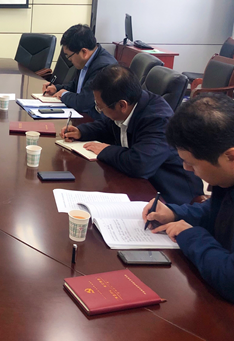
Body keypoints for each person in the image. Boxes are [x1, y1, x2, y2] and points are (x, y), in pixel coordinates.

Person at [61, 65, 203, 204]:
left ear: (122, 105)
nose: (99, 110)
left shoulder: (158, 119)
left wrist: (106, 150)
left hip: (170, 195)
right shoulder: (130, 105)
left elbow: (141, 164)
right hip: (139, 184)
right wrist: (81, 131)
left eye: (100, 106)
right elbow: (107, 125)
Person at [143, 94, 234, 303]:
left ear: (230, 156)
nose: (186, 168)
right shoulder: (226, 178)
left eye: (192, 163)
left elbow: (231, 279)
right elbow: (217, 212)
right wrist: (175, 213)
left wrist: (191, 236)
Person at [42, 24, 117, 119]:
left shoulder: (103, 68)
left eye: (69, 56)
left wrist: (63, 95)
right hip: (82, 116)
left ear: (84, 52)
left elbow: (84, 102)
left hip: (95, 121)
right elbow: (76, 87)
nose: (69, 60)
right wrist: (56, 88)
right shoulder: (86, 61)